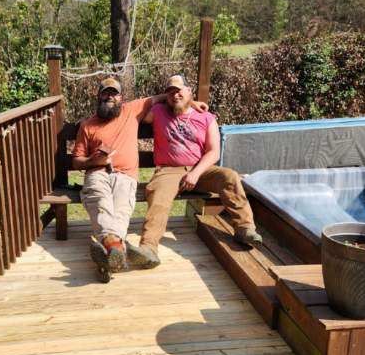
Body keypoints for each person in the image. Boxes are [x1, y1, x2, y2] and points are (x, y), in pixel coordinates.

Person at [71, 76, 206, 280]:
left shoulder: (131, 110)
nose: (109, 97)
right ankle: (115, 248)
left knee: (121, 211)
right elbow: (76, 161)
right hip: (97, 174)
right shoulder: (88, 125)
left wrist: (192, 103)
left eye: (114, 94)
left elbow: (163, 97)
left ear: (121, 98)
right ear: (98, 97)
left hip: (125, 176)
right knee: (100, 203)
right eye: (105, 93)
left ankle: (109, 254)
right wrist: (93, 160)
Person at [128, 75, 262, 268]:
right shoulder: (158, 111)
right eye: (170, 92)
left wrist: (195, 173)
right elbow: (135, 110)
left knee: (229, 176)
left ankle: (244, 229)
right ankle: (148, 248)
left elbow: (214, 152)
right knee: (158, 195)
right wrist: (166, 98)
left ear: (189, 91)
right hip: (168, 171)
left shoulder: (206, 118)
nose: (175, 95)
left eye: (179, 91)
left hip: (201, 169)